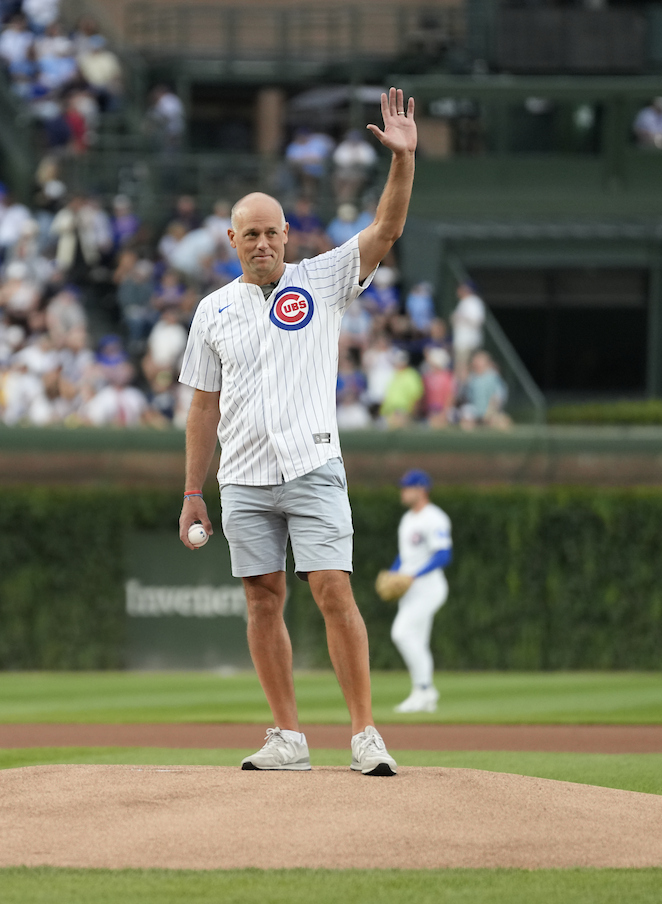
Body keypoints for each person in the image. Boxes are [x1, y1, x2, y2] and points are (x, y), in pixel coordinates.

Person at [177, 88, 420, 778]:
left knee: (332, 590)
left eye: (271, 231)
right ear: (231, 240)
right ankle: (287, 735)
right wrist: (194, 489)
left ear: (288, 236)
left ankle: (366, 732)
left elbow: (386, 230)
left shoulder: (319, 282)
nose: (260, 242)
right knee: (261, 599)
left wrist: (402, 162)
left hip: (313, 466)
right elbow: (201, 408)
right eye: (248, 233)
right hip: (244, 477)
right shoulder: (212, 311)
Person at [385, 469, 451, 713]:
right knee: (417, 641)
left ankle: (425, 689)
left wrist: (413, 575)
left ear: (421, 489)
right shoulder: (408, 519)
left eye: (407, 487)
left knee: (401, 633)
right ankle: (421, 693)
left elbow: (444, 554)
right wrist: (394, 574)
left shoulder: (434, 518)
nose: (403, 491)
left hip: (429, 588)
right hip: (410, 590)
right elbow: (405, 556)